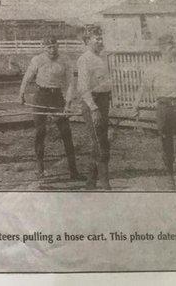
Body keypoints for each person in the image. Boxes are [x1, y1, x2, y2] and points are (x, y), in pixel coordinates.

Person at [133, 34, 176, 190]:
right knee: (166, 145)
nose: (172, 51)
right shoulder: (153, 68)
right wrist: (135, 106)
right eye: (169, 48)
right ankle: (170, 178)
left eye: (173, 47)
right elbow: (143, 88)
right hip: (163, 109)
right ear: (162, 49)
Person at [19, 37, 83, 181]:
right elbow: (27, 78)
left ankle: (74, 171)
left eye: (54, 47)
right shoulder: (37, 60)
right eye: (49, 47)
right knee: (40, 132)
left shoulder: (65, 60)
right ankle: (40, 169)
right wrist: (21, 93)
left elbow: (71, 84)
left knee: (66, 132)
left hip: (57, 97)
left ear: (57, 46)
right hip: (41, 96)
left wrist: (68, 104)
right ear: (43, 47)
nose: (52, 50)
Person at [77, 29, 113, 190]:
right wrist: (93, 108)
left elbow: (105, 82)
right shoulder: (84, 59)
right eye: (97, 39)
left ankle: (90, 182)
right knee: (100, 143)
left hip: (104, 101)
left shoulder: (102, 57)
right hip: (92, 102)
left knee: (101, 141)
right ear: (87, 41)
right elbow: (83, 88)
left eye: (101, 38)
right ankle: (105, 183)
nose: (100, 41)